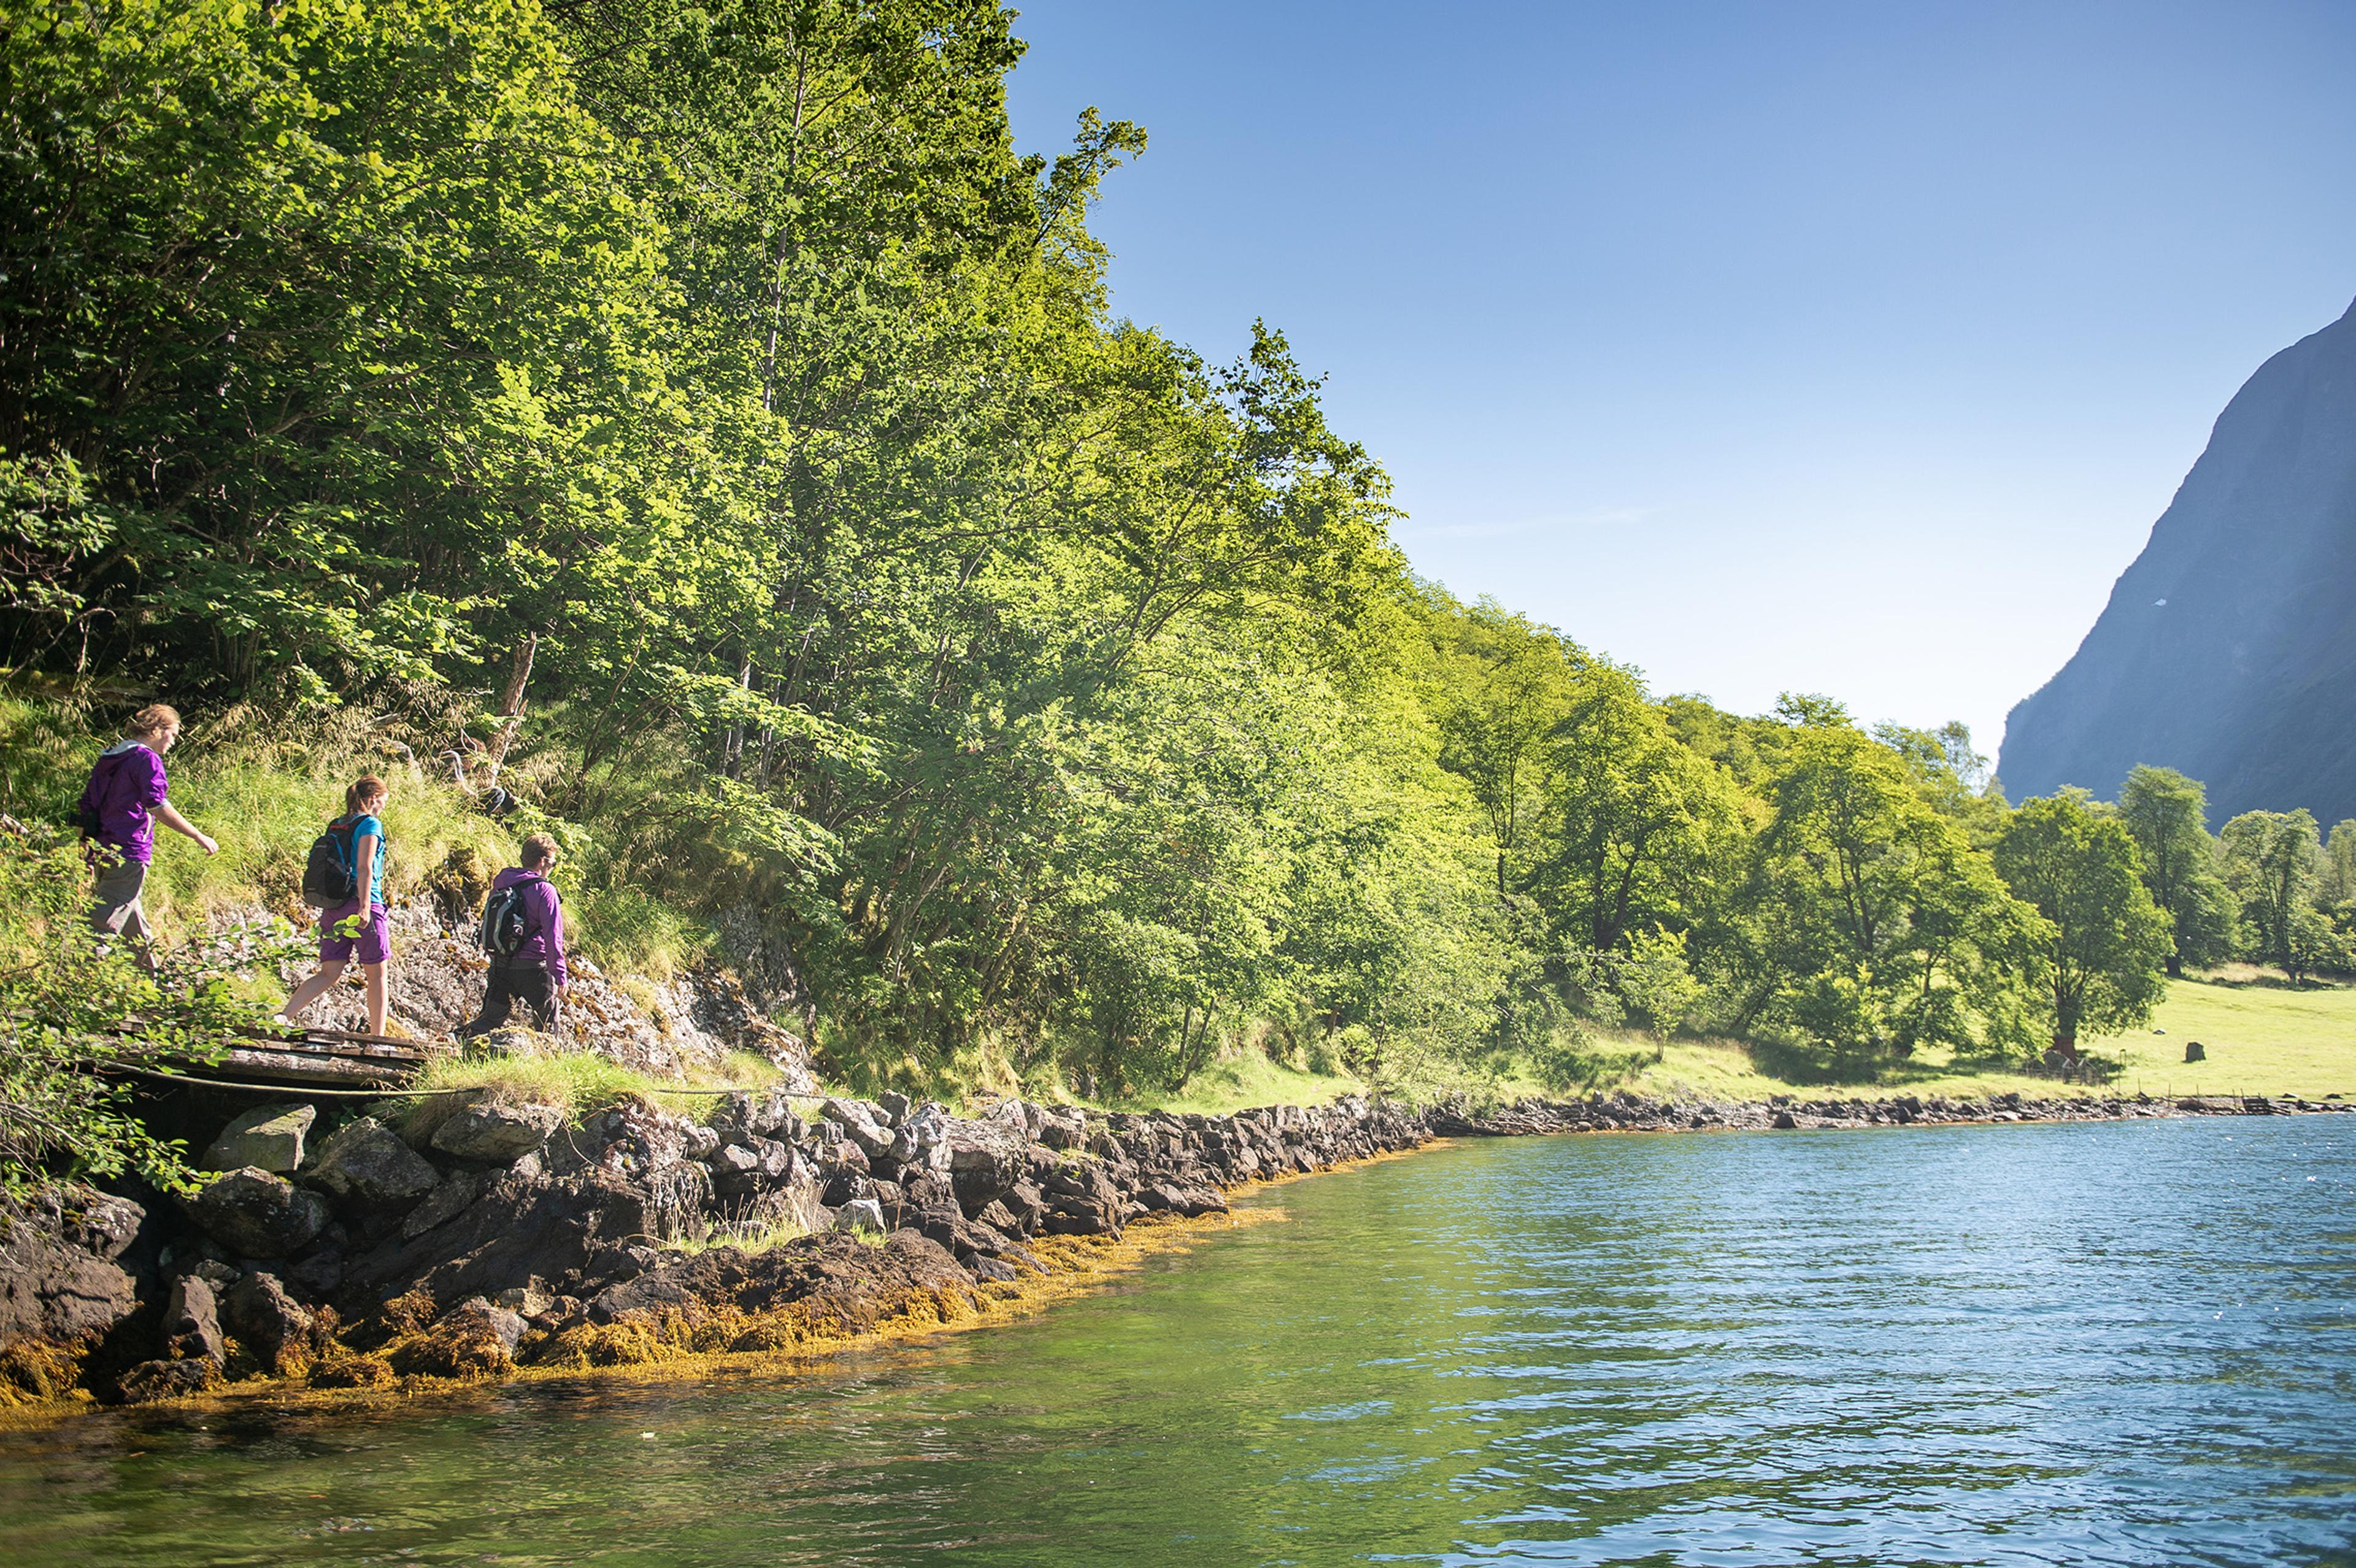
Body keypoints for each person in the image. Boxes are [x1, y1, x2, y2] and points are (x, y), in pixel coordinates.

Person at [77, 704, 217, 966]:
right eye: (173, 734)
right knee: (101, 927)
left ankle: (155, 991)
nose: (173, 741)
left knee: (134, 925)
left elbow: (87, 804)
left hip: (101, 848)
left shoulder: (110, 757)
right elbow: (157, 805)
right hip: (128, 852)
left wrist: (84, 846)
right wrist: (199, 836)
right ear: (157, 729)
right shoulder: (147, 759)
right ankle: (69, 990)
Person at [281, 775, 395, 1036]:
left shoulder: (338, 825)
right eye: (383, 802)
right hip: (363, 905)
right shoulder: (370, 825)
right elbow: (365, 867)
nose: (383, 808)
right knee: (377, 976)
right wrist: (365, 907)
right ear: (374, 799)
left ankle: (283, 1016)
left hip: (334, 907)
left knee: (329, 973)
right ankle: (377, 1038)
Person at [456, 833, 568, 1037]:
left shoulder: (503, 881)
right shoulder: (545, 890)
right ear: (542, 862)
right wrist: (559, 974)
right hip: (534, 969)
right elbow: (554, 937)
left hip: (501, 964)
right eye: (552, 864)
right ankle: (548, 1064)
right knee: (548, 1025)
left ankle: (455, 1044)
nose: (551, 869)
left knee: (489, 1021)